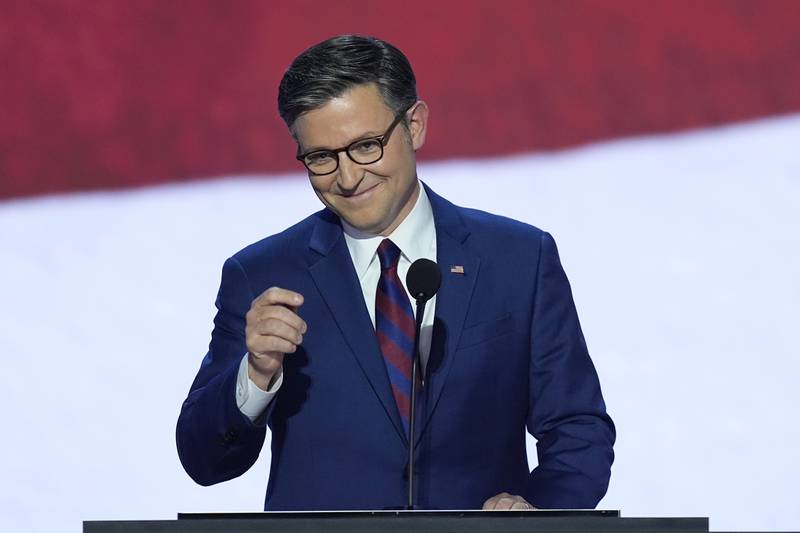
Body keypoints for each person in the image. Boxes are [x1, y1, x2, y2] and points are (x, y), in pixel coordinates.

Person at [176, 34, 615, 511]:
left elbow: (577, 430)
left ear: (415, 125)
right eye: (322, 157)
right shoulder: (262, 274)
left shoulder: (519, 259)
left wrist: (538, 512)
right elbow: (204, 461)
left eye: (366, 146)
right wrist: (256, 374)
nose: (347, 178)